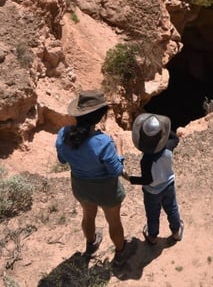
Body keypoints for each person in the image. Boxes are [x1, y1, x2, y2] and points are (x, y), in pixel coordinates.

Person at [56, 89, 134, 262]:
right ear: (99, 117)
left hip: (80, 186)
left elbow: (62, 160)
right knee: (113, 221)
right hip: (105, 189)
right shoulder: (103, 142)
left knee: (88, 216)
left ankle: (91, 244)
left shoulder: (63, 134)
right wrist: (119, 148)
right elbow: (116, 171)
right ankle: (120, 253)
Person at [123, 112, 184, 245]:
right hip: (168, 184)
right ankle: (176, 232)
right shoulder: (169, 147)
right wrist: (164, 129)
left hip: (152, 191)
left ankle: (153, 237)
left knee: (152, 215)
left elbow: (147, 180)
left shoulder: (146, 160)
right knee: (172, 208)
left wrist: (130, 178)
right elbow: (175, 138)